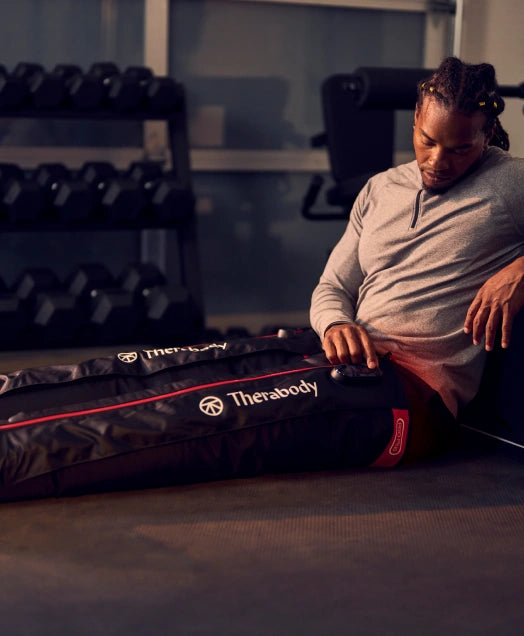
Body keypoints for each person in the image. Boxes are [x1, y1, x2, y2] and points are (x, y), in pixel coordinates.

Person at [310, 56, 524, 460]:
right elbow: (333, 286)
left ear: (487, 134)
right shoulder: (380, 188)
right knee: (219, 391)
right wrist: (335, 324)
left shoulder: (511, 182)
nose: (438, 162)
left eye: (460, 149)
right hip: (354, 369)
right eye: (428, 141)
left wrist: (520, 271)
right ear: (415, 120)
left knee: (246, 428)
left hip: (417, 392)